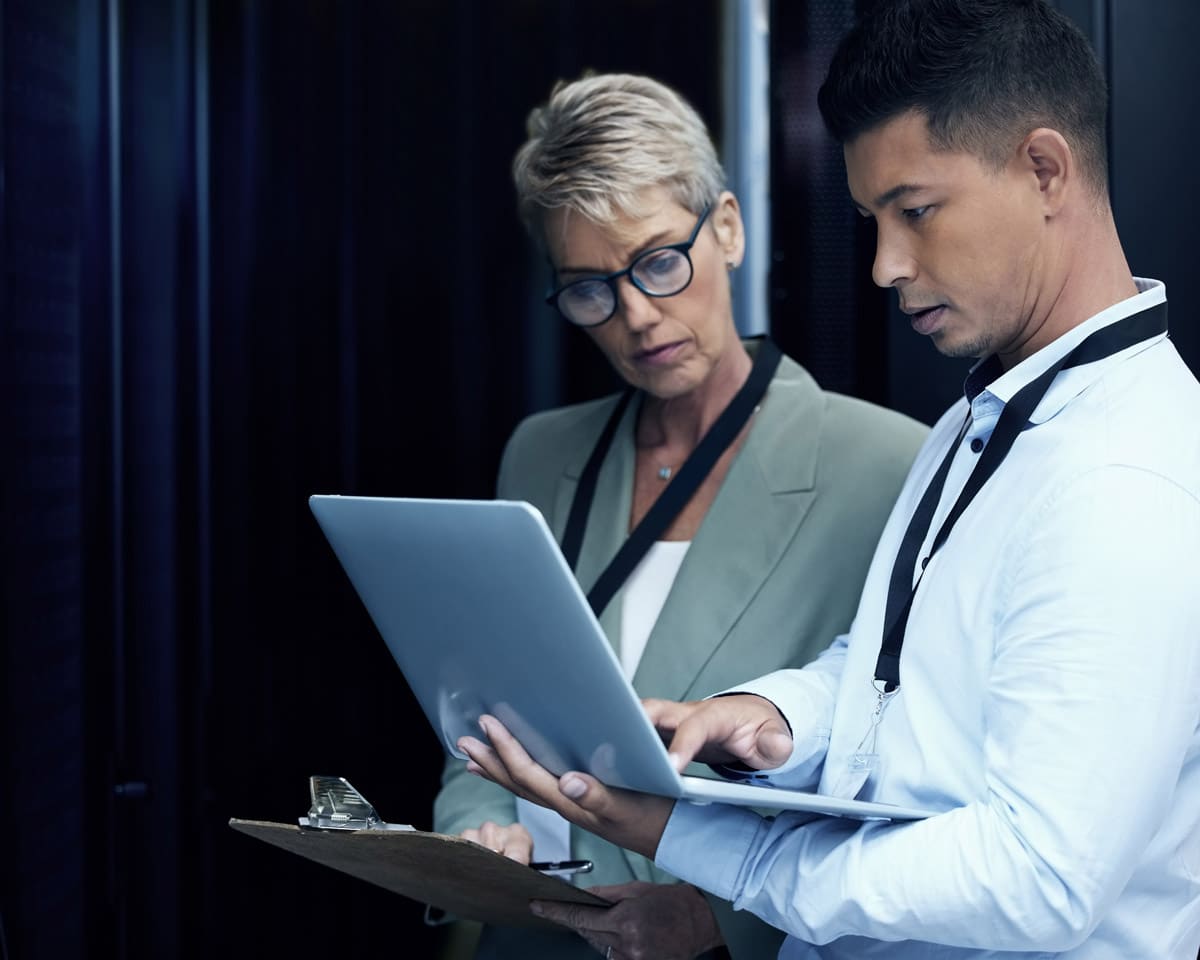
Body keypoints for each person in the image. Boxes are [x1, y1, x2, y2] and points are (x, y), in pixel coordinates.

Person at [457, 3, 1200, 958]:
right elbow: (894, 666)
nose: (887, 265)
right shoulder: (993, 414)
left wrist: (722, 851)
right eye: (872, 221)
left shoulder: (1126, 475)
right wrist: (774, 715)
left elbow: (1041, 876)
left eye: (916, 212)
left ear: (1044, 169)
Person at [432, 72, 927, 960]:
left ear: (728, 228)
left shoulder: (887, 466)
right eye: (590, 289)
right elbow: (476, 716)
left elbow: (910, 782)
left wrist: (717, 921)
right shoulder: (541, 454)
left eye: (660, 261)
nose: (635, 316)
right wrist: (478, 835)